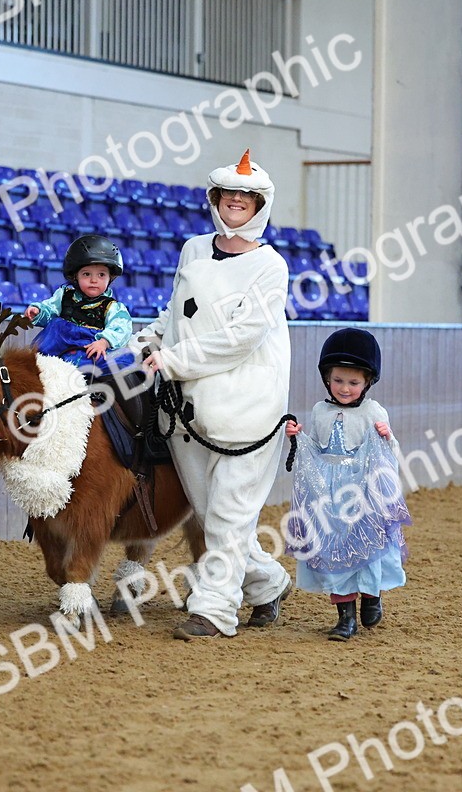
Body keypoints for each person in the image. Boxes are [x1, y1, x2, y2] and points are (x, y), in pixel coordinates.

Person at [134, 149, 292, 640]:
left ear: (260, 203)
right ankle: (267, 583)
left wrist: (174, 360)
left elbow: (240, 337)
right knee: (213, 515)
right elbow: (179, 312)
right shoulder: (193, 248)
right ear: (215, 199)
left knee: (226, 516)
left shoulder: (271, 266)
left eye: (246, 195)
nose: (236, 201)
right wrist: (151, 338)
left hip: (247, 405)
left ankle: (214, 609)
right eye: (228, 194)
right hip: (185, 408)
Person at [283, 328, 410, 641]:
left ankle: (371, 596)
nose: (344, 388)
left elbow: (391, 456)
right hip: (331, 496)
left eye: (353, 382)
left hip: (362, 495)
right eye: (338, 380)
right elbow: (319, 448)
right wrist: (299, 436)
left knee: (367, 548)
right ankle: (345, 617)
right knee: (334, 552)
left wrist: (387, 436)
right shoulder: (320, 411)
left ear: (367, 382)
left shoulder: (373, 411)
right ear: (327, 378)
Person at [24, 234, 133, 373]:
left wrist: (104, 342)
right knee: (38, 362)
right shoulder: (64, 295)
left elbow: (121, 327)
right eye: (87, 274)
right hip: (58, 345)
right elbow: (50, 308)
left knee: (119, 366)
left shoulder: (113, 307)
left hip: (90, 349)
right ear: (75, 276)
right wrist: (39, 311)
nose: (94, 280)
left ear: (110, 278)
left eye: (101, 275)